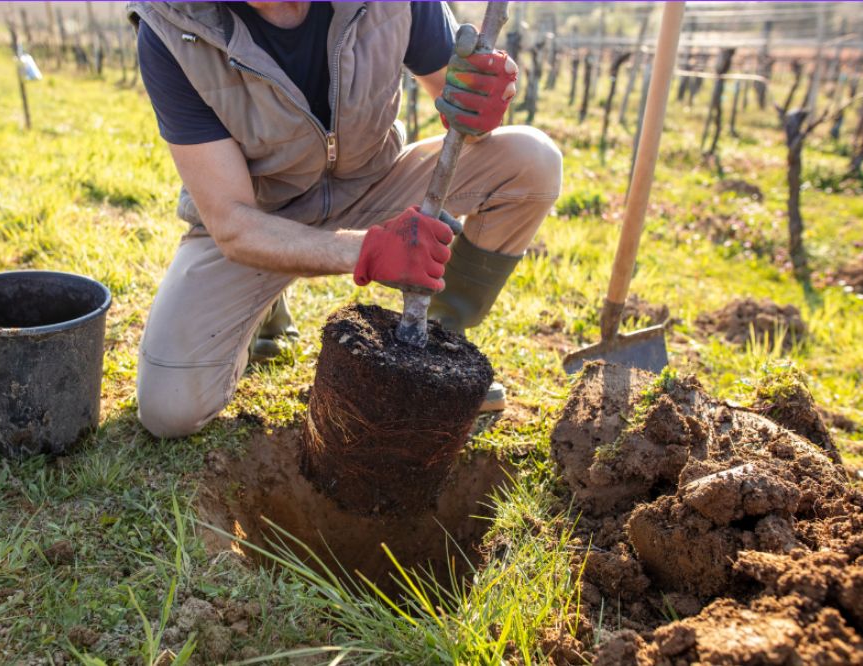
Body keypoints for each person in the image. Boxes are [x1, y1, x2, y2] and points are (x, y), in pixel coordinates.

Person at [130, 1, 562, 439]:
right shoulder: (173, 27)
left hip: (377, 184)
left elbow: (455, 100)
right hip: (263, 217)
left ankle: (436, 347)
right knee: (170, 409)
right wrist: (368, 250)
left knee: (532, 162)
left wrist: (478, 102)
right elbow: (232, 222)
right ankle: (263, 305)